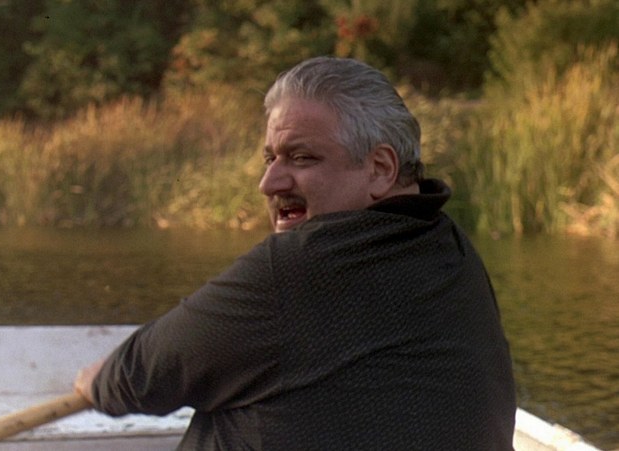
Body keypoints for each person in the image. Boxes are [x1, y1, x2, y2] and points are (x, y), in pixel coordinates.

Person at [74, 56, 517, 450]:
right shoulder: (450, 245)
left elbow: (144, 375)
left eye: (301, 158)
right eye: (270, 159)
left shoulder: (304, 266)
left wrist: (97, 382)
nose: (269, 183)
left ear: (381, 169)